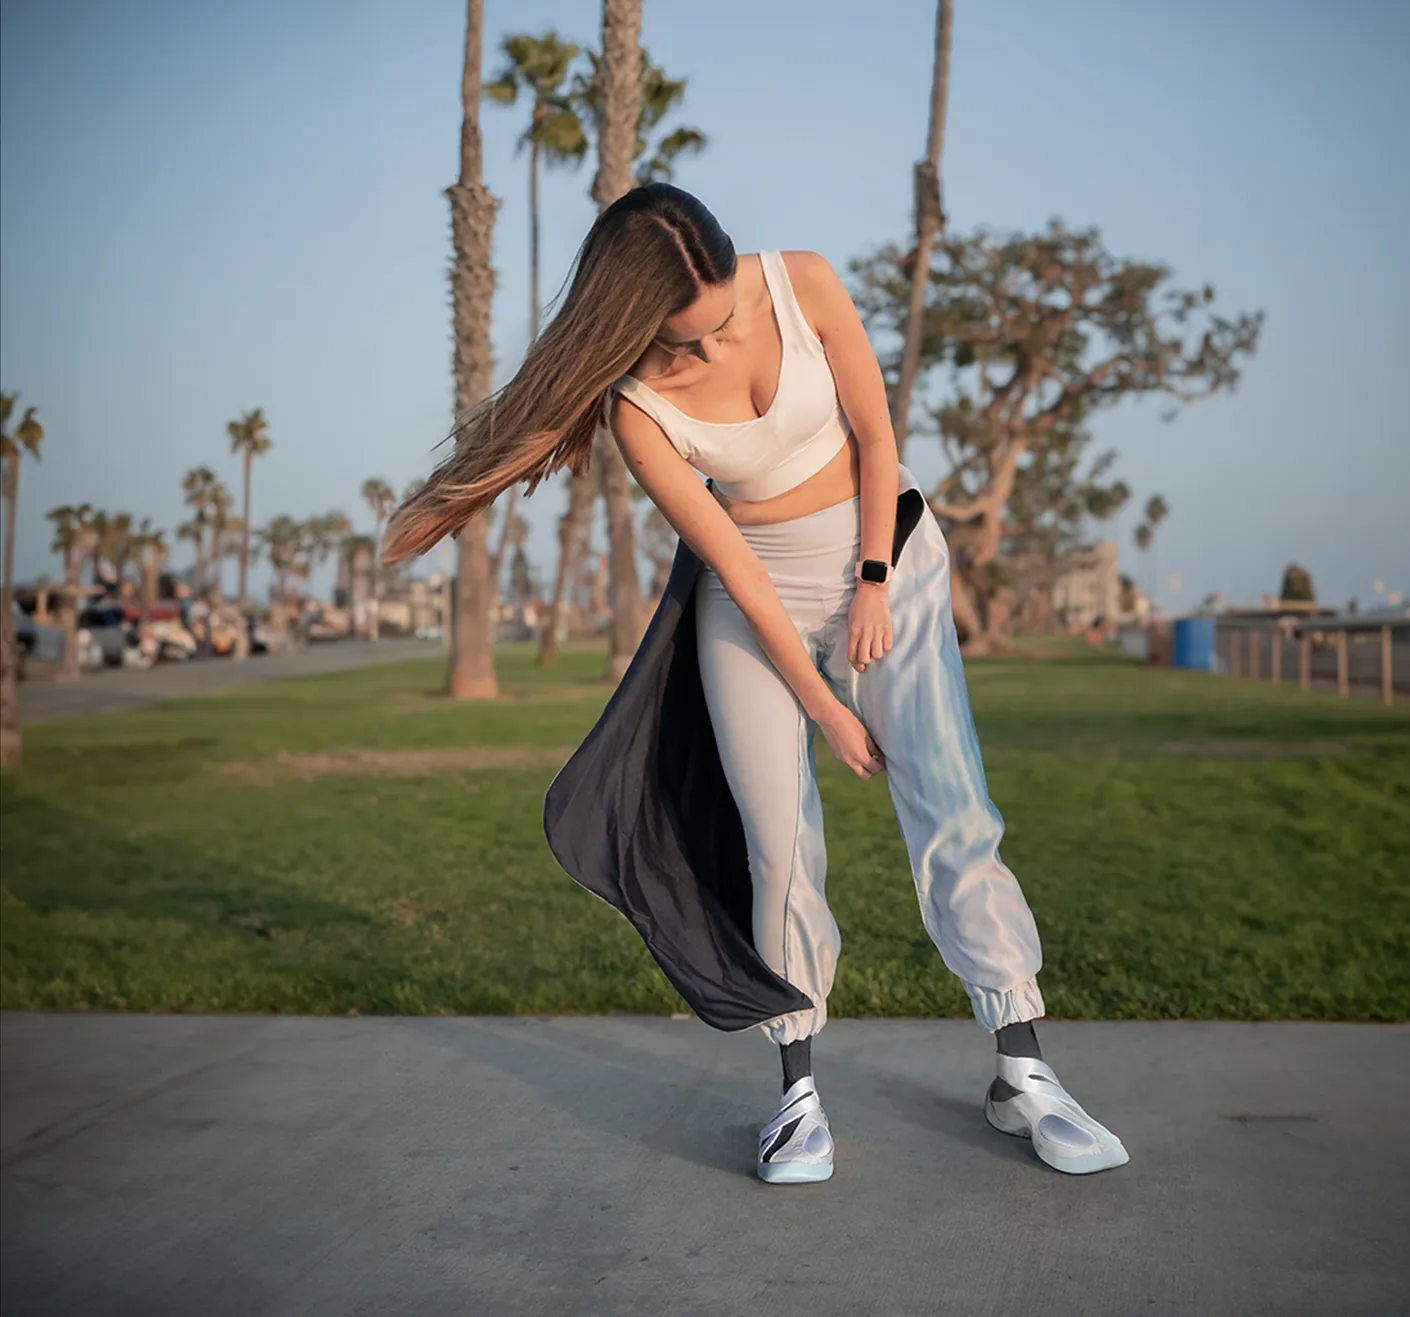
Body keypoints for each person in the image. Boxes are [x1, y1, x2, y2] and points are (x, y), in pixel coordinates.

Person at [383, 182, 1128, 1186]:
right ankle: (796, 1095)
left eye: (728, 310)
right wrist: (823, 703)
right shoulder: (638, 408)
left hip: (888, 563)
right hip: (756, 603)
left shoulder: (801, 283)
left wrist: (870, 581)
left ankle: (1022, 1072)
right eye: (694, 336)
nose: (724, 339)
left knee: (952, 811)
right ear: (644, 324)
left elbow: (874, 436)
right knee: (776, 847)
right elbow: (731, 566)